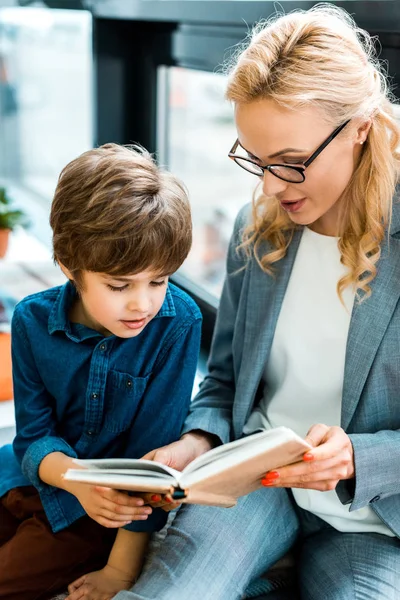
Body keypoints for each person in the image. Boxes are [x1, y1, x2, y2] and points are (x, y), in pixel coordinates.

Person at [114, 6, 400, 600]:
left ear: (360, 127)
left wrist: (355, 458)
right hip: (255, 486)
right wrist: (196, 443)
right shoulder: (259, 226)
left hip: (374, 518)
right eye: (255, 158)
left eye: (291, 163)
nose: (269, 187)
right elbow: (224, 382)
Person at [0, 143, 202, 600]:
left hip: (100, 514)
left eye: (159, 280)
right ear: (71, 268)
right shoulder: (32, 320)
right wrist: (74, 476)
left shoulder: (179, 323)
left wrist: (120, 572)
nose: (143, 303)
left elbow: (150, 467)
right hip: (34, 476)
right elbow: (32, 435)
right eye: (118, 285)